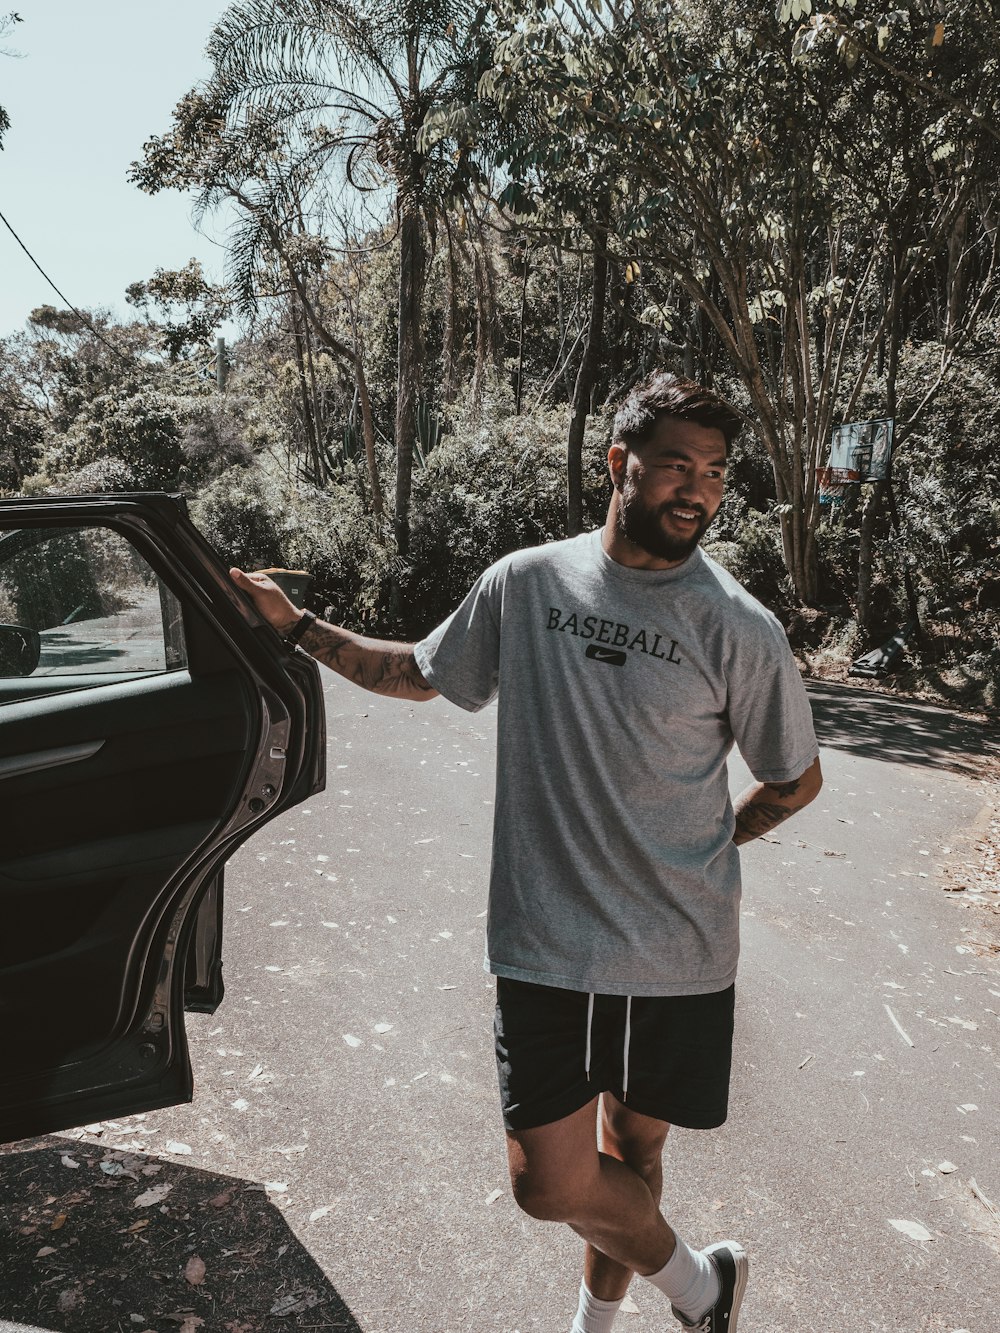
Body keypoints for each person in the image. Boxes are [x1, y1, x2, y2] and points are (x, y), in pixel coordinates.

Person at [230, 371, 822, 1333]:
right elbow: (416, 673)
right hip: (543, 942)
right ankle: (702, 1287)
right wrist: (295, 628)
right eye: (677, 464)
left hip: (674, 956)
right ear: (618, 463)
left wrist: (714, 840)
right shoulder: (527, 582)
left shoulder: (737, 626)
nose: (699, 490)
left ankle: (595, 1323)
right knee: (549, 1182)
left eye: (715, 472)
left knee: (632, 1152)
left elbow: (796, 779)